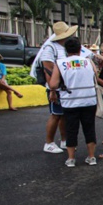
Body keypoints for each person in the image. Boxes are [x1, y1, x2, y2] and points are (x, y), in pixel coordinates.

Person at [48, 37, 98, 167]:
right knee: (89, 128)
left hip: (70, 102)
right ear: (80, 49)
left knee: (71, 129)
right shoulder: (88, 62)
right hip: (89, 100)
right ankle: (91, 157)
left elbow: (53, 84)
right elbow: (96, 76)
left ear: (66, 50)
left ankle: (71, 159)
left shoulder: (60, 63)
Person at [43, 21, 78, 154]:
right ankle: (49, 142)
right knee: (55, 115)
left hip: (64, 87)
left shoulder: (63, 47)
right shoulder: (50, 48)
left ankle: (64, 140)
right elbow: (47, 69)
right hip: (56, 88)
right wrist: (53, 89)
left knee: (63, 115)